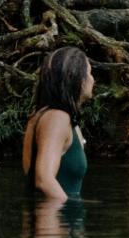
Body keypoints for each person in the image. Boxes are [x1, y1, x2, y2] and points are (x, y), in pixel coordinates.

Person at [22, 46, 94, 202]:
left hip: (61, 221)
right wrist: (69, 206)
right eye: (89, 73)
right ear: (78, 79)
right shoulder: (56, 119)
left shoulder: (52, 116)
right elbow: (44, 180)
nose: (92, 79)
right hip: (54, 223)